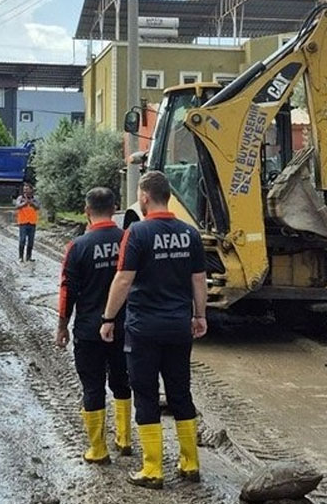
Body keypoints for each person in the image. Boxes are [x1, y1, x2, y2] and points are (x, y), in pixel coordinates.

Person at [100, 170, 208, 490]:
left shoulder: (137, 233)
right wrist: (199, 315)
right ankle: (190, 464)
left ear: (145, 197)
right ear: (169, 196)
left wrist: (108, 318)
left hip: (143, 328)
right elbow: (199, 280)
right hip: (178, 327)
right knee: (180, 393)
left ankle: (152, 470)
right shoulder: (190, 234)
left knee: (145, 394)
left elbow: (123, 279)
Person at [55, 187, 133, 464]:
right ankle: (124, 440)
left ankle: (97, 450)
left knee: (93, 387)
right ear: (114, 208)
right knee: (123, 382)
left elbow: (67, 291)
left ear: (87, 211)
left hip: (89, 331)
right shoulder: (127, 240)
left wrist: (62, 326)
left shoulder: (77, 247)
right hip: (123, 328)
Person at [14, 183, 40, 262]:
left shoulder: (35, 199)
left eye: (27, 189)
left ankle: (29, 257)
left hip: (32, 223)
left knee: (31, 241)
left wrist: (31, 203)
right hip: (23, 222)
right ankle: (20, 257)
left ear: (31, 190)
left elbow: (38, 207)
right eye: (24, 189)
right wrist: (25, 203)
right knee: (22, 240)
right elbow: (17, 206)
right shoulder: (20, 198)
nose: (25, 191)